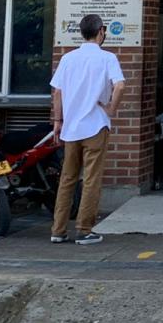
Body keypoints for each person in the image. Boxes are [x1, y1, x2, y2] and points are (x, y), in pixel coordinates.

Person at [50, 13, 125, 246]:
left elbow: (57, 92)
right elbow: (120, 85)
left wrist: (58, 121)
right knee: (92, 179)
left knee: (67, 178)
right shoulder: (107, 58)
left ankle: (58, 229)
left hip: (71, 127)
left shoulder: (68, 58)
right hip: (95, 124)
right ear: (101, 31)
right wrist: (111, 108)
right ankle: (84, 229)